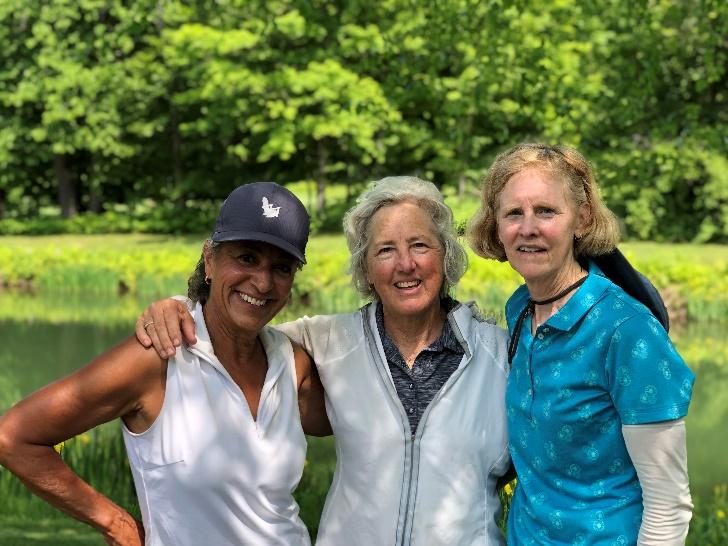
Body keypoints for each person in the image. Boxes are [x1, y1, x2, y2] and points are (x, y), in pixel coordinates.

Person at [136, 176, 512, 545]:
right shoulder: (327, 341)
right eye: (385, 250)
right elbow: (233, 329)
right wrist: (181, 308)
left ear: (446, 255)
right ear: (365, 268)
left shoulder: (503, 356)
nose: (405, 264)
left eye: (420, 245)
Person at [0, 182, 329, 546]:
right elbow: (13, 436)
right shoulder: (159, 357)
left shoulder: (291, 363)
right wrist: (116, 523)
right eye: (247, 258)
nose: (263, 281)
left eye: (281, 267)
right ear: (210, 260)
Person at [466, 143, 695, 545]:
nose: (528, 227)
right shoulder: (520, 307)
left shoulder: (627, 331)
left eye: (547, 211)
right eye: (513, 213)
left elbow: (668, 505)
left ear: (582, 218)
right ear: (496, 225)